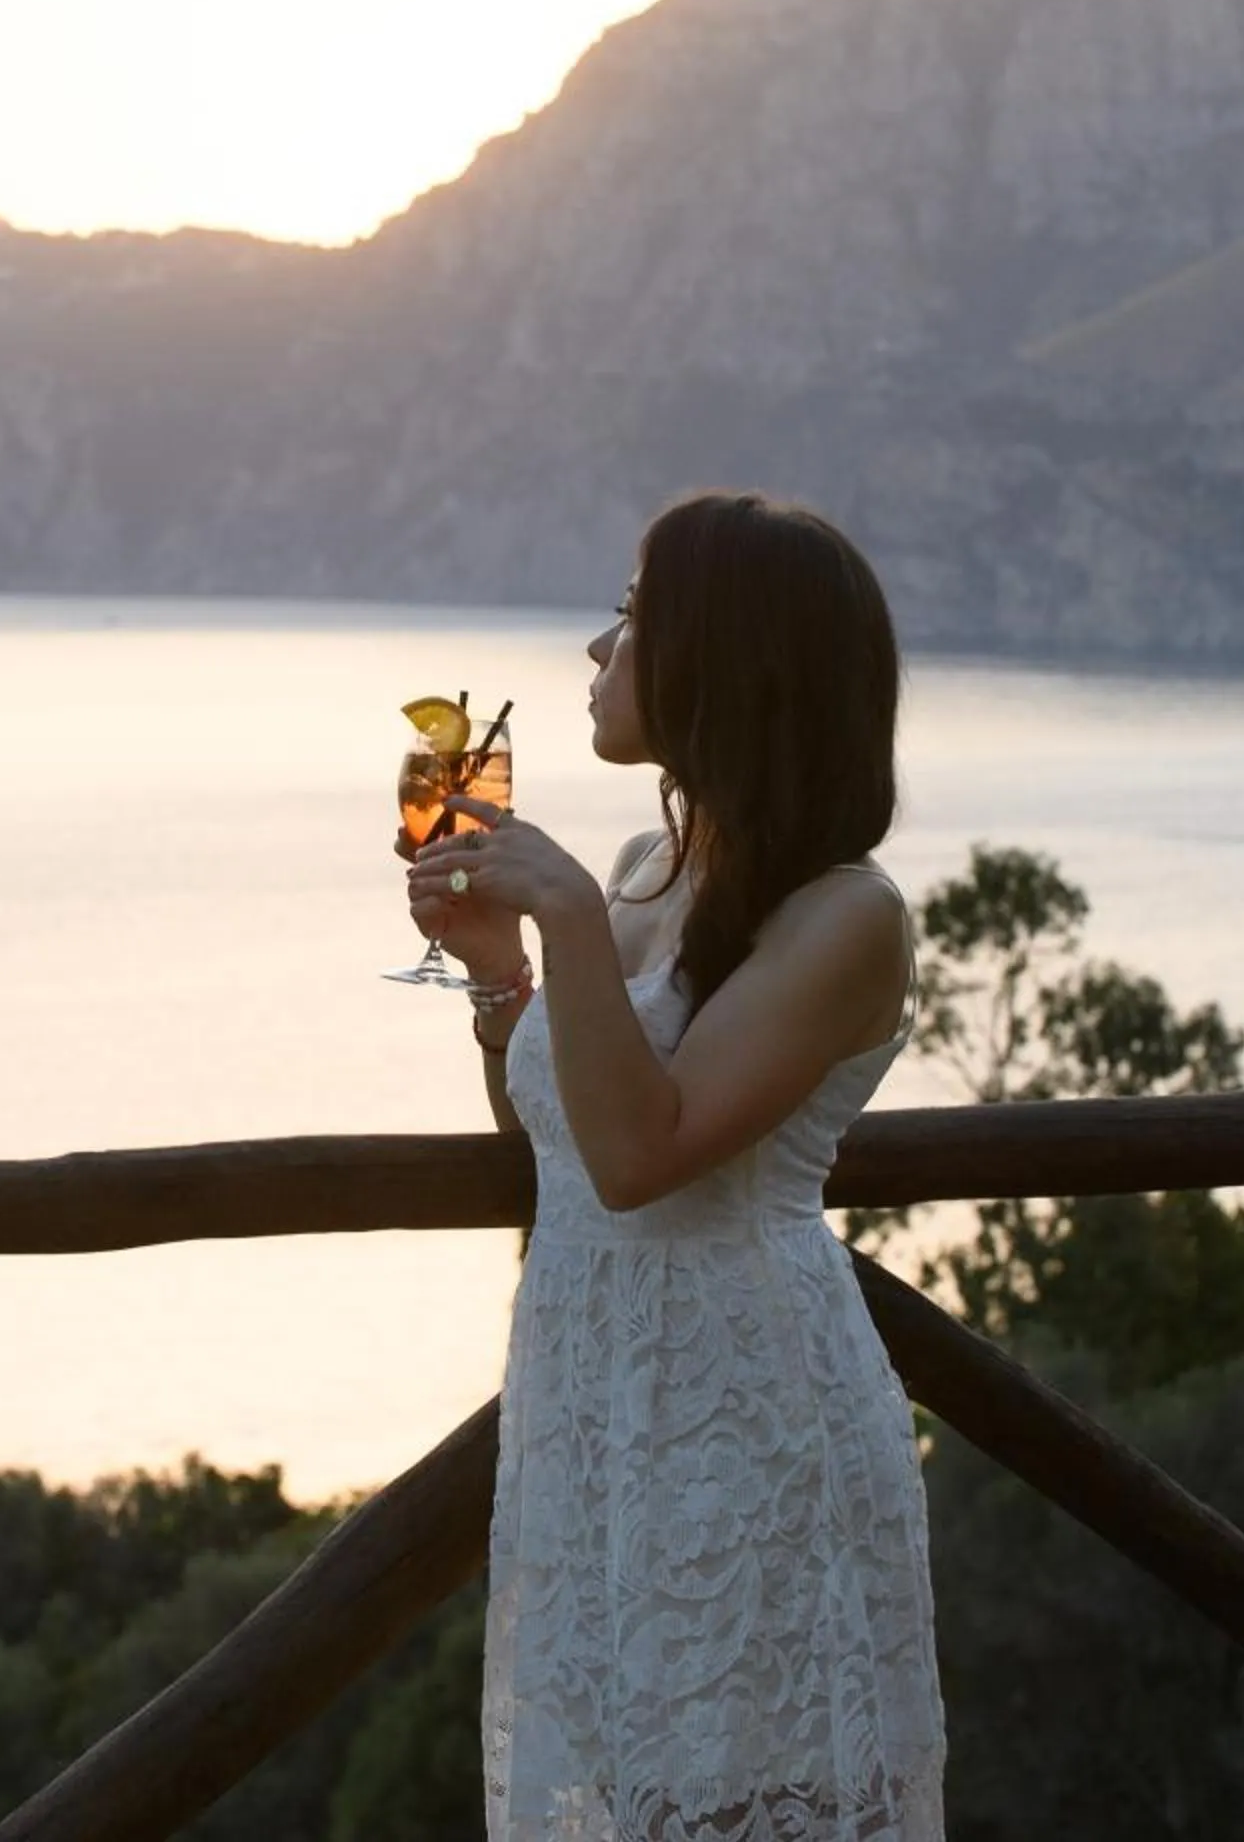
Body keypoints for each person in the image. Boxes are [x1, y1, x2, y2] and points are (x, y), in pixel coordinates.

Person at [400, 491, 948, 1840]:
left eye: (634, 618)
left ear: (726, 659)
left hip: (742, 1406)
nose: (600, 649)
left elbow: (644, 1157)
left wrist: (570, 916)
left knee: (734, 1791)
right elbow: (567, 1141)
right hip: (594, 1394)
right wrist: (501, 976)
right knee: (608, 1782)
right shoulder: (650, 868)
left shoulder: (849, 916)